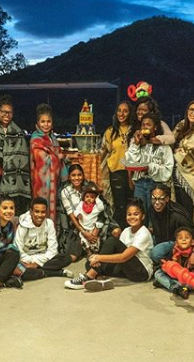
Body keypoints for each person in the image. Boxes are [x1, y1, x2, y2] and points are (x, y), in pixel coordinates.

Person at [65, 199, 153, 292]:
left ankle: (89, 277)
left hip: (140, 272)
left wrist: (99, 257)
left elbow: (123, 257)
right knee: (90, 263)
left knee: (111, 242)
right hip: (126, 268)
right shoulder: (126, 231)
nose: (132, 217)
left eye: (136, 214)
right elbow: (117, 255)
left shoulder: (144, 233)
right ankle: (102, 281)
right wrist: (97, 260)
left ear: (142, 216)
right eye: (129, 214)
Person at [58, 164, 121, 262]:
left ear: (83, 176)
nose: (77, 178)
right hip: (80, 226)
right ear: (69, 177)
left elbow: (102, 209)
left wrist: (96, 229)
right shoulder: (65, 192)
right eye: (73, 175)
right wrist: (83, 232)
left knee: (116, 231)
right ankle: (88, 250)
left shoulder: (90, 187)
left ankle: (103, 257)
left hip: (98, 221)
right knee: (73, 257)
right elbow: (71, 214)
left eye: (79, 175)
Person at [125, 112, 174, 214]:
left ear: (155, 127)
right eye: (143, 125)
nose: (145, 127)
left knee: (154, 216)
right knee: (139, 214)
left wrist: (150, 167)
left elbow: (168, 169)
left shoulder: (164, 146)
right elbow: (130, 161)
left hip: (156, 185)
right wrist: (135, 145)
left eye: (148, 125)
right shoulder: (137, 143)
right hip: (140, 184)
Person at [14, 197, 73, 280]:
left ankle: (38, 271)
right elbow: (18, 250)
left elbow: (53, 250)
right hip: (26, 259)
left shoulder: (49, 223)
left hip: (44, 258)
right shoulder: (23, 226)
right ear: (31, 212)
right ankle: (54, 272)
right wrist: (31, 261)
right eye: (36, 211)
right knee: (16, 269)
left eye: (43, 212)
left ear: (46, 212)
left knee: (66, 258)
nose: (40, 215)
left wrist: (36, 263)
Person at [30, 103, 67, 224]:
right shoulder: (36, 139)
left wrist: (63, 156)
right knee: (41, 208)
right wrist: (59, 157)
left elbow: (57, 153)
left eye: (49, 121)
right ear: (37, 123)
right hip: (41, 182)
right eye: (43, 121)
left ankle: (50, 235)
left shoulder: (52, 138)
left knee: (52, 208)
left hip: (53, 180)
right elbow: (43, 160)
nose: (46, 124)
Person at [148, 183, 194, 264]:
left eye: (160, 199)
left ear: (167, 199)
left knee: (155, 253)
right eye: (154, 199)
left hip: (177, 243)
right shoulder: (152, 209)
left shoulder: (177, 216)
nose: (156, 203)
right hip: (161, 239)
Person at [172, 99, 194, 221]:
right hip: (174, 178)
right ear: (187, 110)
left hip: (189, 180)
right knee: (177, 214)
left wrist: (176, 150)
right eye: (192, 109)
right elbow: (170, 144)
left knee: (187, 215)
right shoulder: (180, 127)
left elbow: (185, 154)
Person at [101, 101, 133, 229]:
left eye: (125, 111)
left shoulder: (134, 129)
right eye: (119, 110)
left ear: (130, 113)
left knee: (132, 205)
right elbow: (104, 152)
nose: (122, 114)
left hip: (133, 172)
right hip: (116, 172)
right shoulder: (110, 131)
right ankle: (120, 234)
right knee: (119, 206)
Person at [153, 227, 194, 299]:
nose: (183, 239)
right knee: (158, 273)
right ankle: (176, 287)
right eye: (180, 238)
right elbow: (167, 264)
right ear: (176, 242)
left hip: (187, 279)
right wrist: (166, 266)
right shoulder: (174, 252)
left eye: (187, 237)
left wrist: (191, 268)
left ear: (192, 242)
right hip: (175, 276)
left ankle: (175, 287)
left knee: (191, 284)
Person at [73, 184, 106, 256]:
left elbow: (101, 208)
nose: (89, 199)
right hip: (83, 229)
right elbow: (75, 211)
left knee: (95, 242)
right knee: (83, 242)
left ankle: (95, 253)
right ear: (83, 197)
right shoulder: (81, 204)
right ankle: (88, 253)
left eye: (92, 197)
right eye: (87, 196)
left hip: (93, 229)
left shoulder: (96, 207)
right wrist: (78, 214)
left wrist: (97, 198)